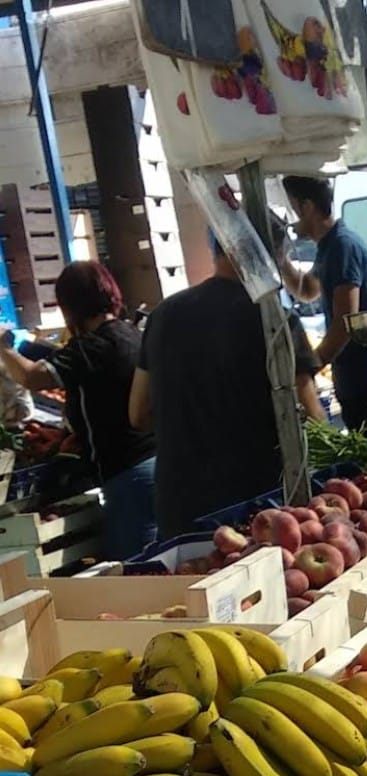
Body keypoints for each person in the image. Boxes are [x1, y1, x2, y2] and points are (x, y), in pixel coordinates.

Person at [129, 235, 326, 540]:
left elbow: (139, 414)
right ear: (272, 256)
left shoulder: (163, 314)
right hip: (256, 511)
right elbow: (314, 419)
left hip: (179, 506)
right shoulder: (276, 321)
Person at [0, 262, 155, 558]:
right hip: (155, 463)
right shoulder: (130, 334)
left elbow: (31, 377)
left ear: (70, 307)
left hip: (127, 473)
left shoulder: (92, 346)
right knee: (155, 558)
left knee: (137, 565)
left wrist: (3, 347)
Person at [278, 175, 367, 433]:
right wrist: (281, 261)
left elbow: (345, 322)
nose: (291, 219)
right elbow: (308, 290)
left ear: (307, 207)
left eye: (292, 207)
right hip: (352, 380)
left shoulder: (342, 246)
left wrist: (310, 368)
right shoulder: (328, 246)